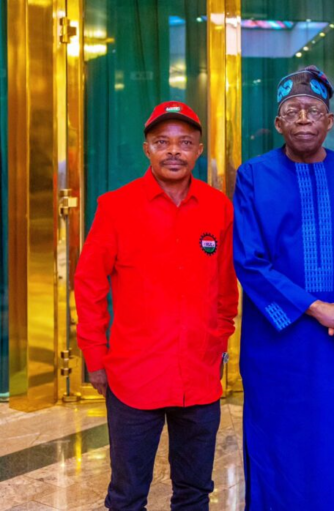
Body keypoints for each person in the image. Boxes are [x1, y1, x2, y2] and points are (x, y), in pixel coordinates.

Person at [75, 101, 239, 510]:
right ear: (146, 148)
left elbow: (225, 289)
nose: (174, 151)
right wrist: (95, 356)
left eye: (185, 142)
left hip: (198, 378)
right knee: (128, 495)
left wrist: (217, 341)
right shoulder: (116, 207)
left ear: (199, 150)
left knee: (195, 492)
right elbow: (89, 284)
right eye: (162, 142)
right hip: (134, 378)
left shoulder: (218, 206)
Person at [232, 65, 334, 510]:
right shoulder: (253, 175)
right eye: (291, 110)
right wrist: (317, 308)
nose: (303, 118)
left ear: (330, 121)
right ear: (278, 123)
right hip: (276, 344)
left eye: (313, 109)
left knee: (331, 449)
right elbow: (249, 262)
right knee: (275, 447)